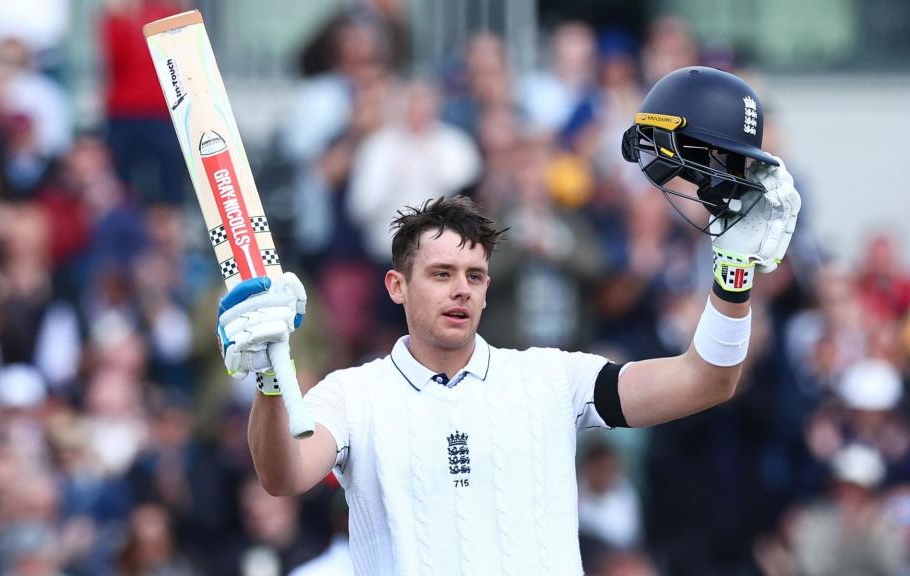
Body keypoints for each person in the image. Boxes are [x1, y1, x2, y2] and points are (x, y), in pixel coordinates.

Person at [216, 66, 801, 575]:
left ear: (489, 289)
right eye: (441, 274)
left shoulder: (551, 379)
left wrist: (734, 274)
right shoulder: (353, 394)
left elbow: (707, 379)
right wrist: (271, 380)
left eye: (473, 276)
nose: (460, 290)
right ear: (396, 286)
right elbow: (283, 474)